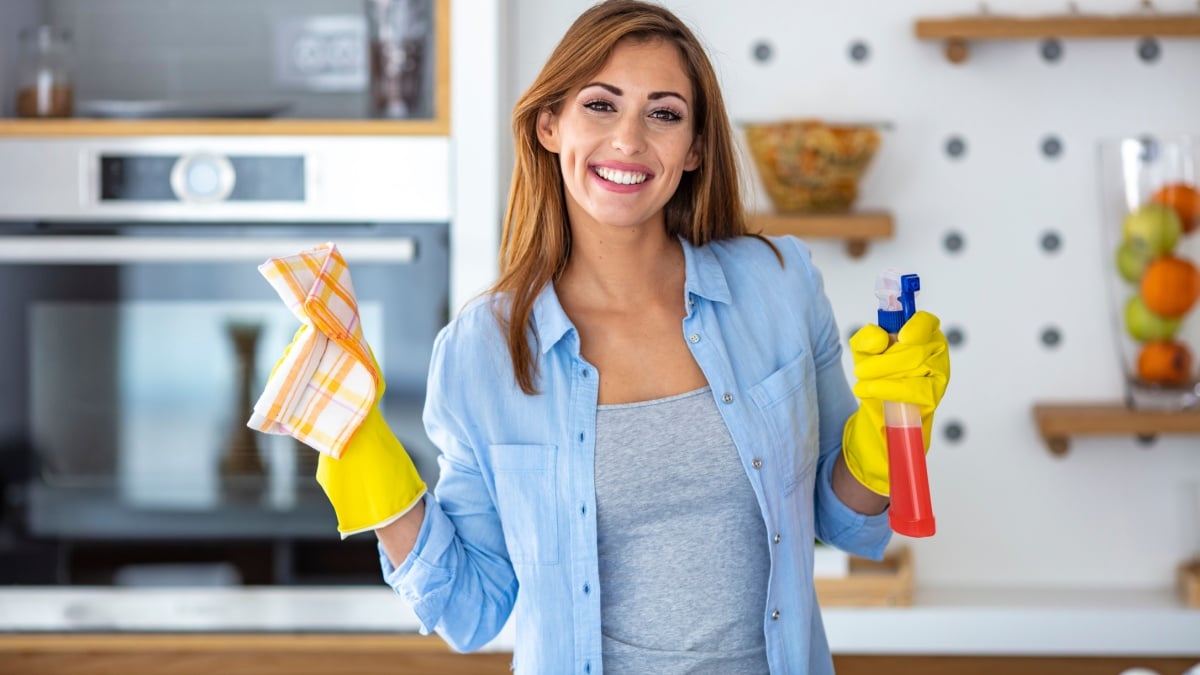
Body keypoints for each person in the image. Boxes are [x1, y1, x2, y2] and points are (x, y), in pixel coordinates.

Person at [308, 1, 950, 673]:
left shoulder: (777, 287)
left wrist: (883, 434)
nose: (629, 141)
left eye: (664, 113)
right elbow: (473, 608)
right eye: (601, 105)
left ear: (696, 147)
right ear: (551, 124)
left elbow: (844, 520)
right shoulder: (484, 349)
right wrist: (364, 459)